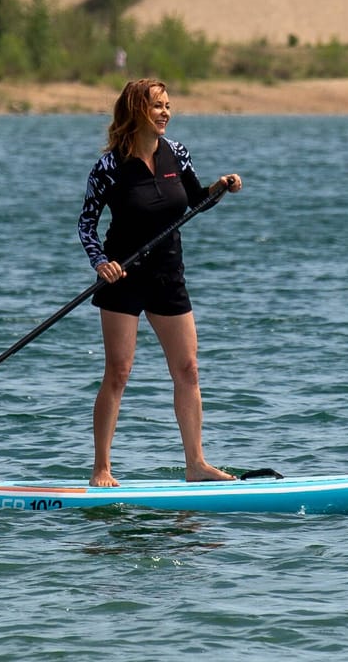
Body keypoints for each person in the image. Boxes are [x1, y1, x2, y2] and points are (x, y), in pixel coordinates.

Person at [77, 78, 243, 487]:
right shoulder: (110, 166)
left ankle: (197, 465)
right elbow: (86, 224)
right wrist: (102, 263)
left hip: (168, 273)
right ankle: (102, 467)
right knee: (118, 371)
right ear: (137, 111)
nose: (166, 112)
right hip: (124, 276)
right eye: (157, 106)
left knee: (187, 368)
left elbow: (196, 202)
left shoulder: (178, 154)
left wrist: (220, 188)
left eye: (168, 105)